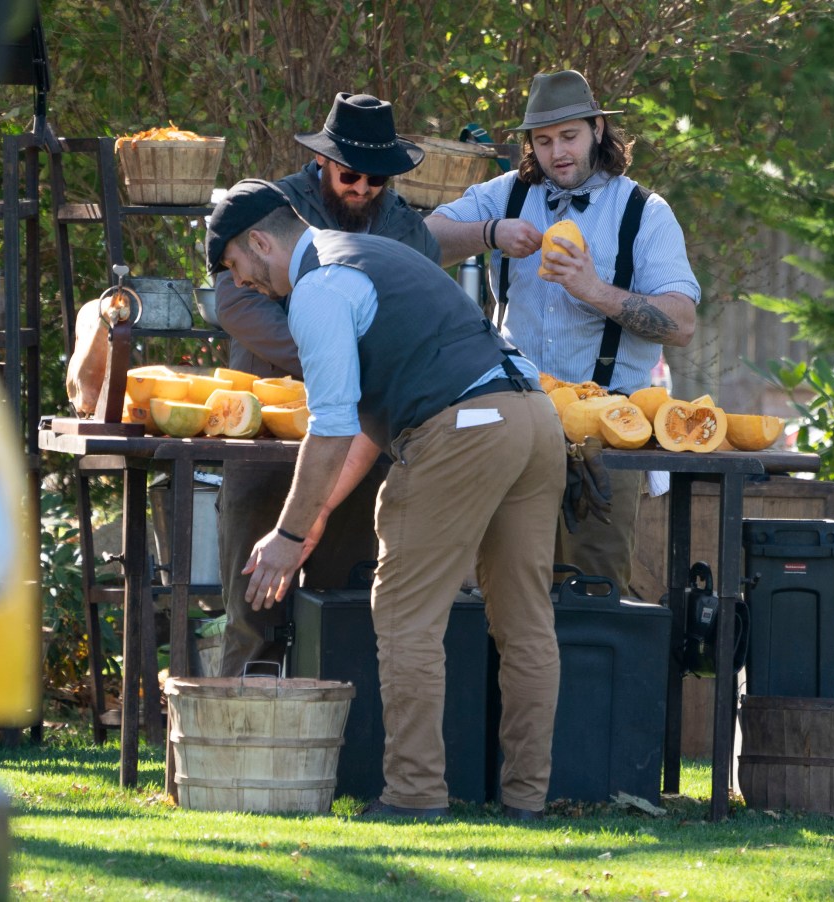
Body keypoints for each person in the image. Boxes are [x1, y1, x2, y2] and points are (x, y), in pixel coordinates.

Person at [205, 178, 566, 820]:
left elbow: (332, 424)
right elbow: (373, 425)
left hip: (464, 427)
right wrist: (311, 518)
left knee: (405, 614)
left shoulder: (318, 290)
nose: (244, 284)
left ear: (260, 242)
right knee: (525, 622)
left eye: (237, 267)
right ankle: (526, 801)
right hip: (536, 420)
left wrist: (286, 538)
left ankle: (415, 794)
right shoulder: (376, 254)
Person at [425, 69, 700, 596]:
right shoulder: (504, 196)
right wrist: (489, 232)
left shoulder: (644, 213)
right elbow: (422, 241)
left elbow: (682, 324)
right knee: (501, 595)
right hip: (512, 425)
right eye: (543, 141)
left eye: (569, 136)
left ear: (598, 128)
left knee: (594, 600)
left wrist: (594, 289)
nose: (558, 153)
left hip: (607, 434)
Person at [213, 93, 440, 678]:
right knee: (252, 606)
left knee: (344, 604)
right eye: (351, 174)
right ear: (323, 163)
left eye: (377, 179)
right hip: (263, 429)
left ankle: (338, 749)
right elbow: (235, 304)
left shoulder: (407, 228)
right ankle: (245, 743)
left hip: (362, 442)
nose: (363, 187)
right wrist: (330, 355)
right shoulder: (270, 207)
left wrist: (343, 367)